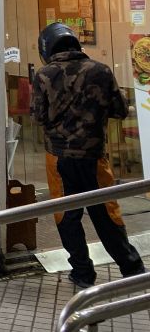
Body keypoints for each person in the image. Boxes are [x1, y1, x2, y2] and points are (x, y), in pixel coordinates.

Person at [32, 22, 145, 288]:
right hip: (94, 157)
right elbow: (119, 110)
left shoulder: (44, 75)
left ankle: (83, 273)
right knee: (107, 213)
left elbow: (38, 116)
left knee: (67, 217)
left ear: (46, 49)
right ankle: (133, 270)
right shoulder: (100, 70)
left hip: (58, 159)